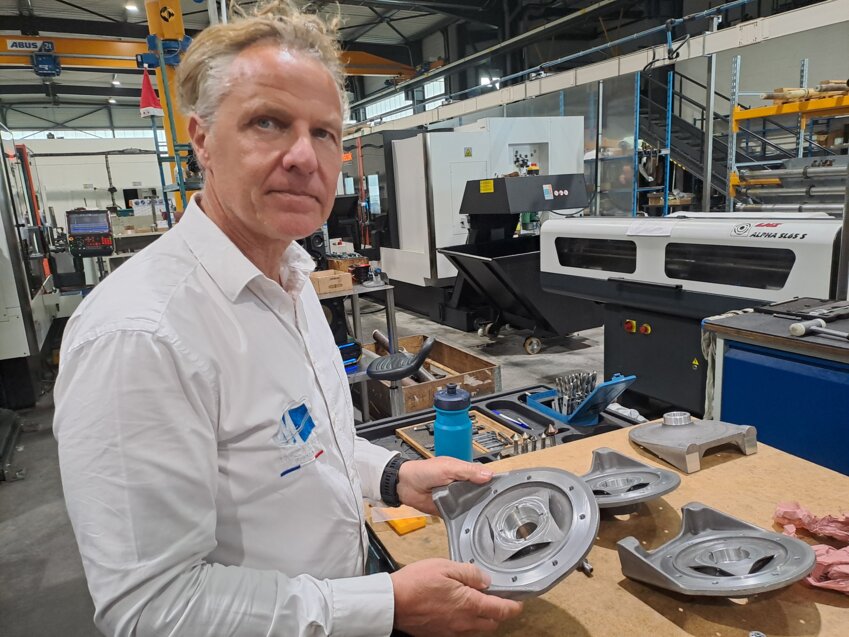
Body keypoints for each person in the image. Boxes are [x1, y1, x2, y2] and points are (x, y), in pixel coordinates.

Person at [53, 2, 523, 636]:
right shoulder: (140, 336)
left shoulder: (293, 280)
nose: (304, 156)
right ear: (201, 139)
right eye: (268, 122)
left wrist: (394, 476)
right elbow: (153, 611)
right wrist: (385, 605)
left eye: (324, 132)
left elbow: (305, 445)